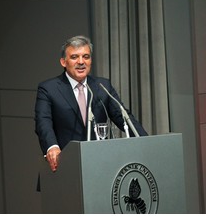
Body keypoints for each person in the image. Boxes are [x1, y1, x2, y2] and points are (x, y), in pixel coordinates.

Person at [35, 35, 148, 173]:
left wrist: (147, 142)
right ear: (63, 62)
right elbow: (43, 122)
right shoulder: (49, 88)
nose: (81, 62)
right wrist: (52, 146)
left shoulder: (102, 86)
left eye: (86, 57)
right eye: (74, 57)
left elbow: (123, 117)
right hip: (65, 166)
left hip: (100, 166)